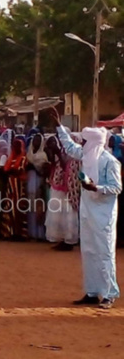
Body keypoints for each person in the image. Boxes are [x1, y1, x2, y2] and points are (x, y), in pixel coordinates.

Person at [50, 109, 122, 309]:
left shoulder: (110, 162)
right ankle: (92, 292)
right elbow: (70, 148)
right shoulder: (86, 155)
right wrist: (59, 126)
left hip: (103, 214)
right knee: (88, 251)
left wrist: (95, 187)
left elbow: (117, 188)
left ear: (94, 143)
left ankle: (109, 293)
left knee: (105, 253)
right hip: (87, 211)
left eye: (85, 141)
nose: (82, 144)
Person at [44, 135, 79, 251]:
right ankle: (61, 239)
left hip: (69, 189)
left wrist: (58, 152)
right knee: (58, 214)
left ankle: (68, 240)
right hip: (59, 186)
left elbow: (66, 167)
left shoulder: (75, 155)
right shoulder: (64, 152)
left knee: (68, 214)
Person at [2, 138, 28, 241]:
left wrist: (11, 171)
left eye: (18, 145)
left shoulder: (24, 158)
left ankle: (20, 233)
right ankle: (9, 232)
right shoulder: (10, 158)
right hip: (10, 187)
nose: (16, 147)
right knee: (9, 208)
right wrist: (11, 171)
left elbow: (18, 170)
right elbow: (6, 170)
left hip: (19, 187)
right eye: (14, 145)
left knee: (19, 209)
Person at [26, 133, 48, 241]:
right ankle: (31, 232)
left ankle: (40, 234)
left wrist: (34, 167)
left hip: (38, 181)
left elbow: (43, 171)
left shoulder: (43, 155)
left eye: (38, 140)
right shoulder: (28, 153)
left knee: (38, 207)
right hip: (29, 180)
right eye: (35, 140)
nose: (36, 142)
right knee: (30, 207)